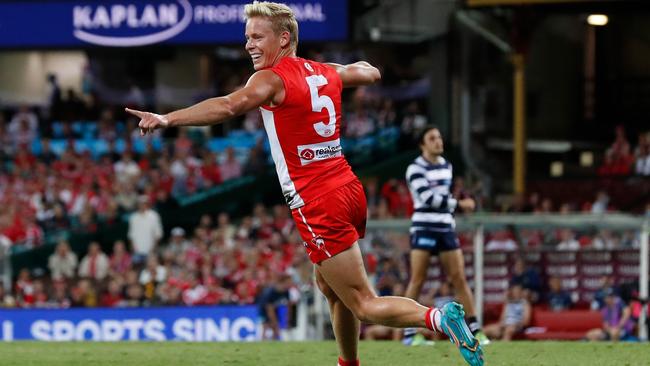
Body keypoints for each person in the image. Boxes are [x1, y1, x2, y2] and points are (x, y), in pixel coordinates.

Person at [125, 2, 483, 365]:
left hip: (316, 198)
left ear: (284, 38)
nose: (248, 44)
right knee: (330, 286)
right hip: (348, 188)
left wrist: (167, 118)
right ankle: (348, 363)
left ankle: (439, 318)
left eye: (256, 36)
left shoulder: (270, 78)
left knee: (362, 302)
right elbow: (369, 73)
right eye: (246, 37)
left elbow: (230, 106)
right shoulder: (322, 72)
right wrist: (359, 69)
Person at [402, 125, 489, 346]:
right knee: (417, 280)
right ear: (423, 144)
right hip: (423, 227)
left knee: (459, 278)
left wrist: (455, 204)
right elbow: (429, 199)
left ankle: (476, 329)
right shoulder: (414, 169)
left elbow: (442, 198)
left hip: (445, 226)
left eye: (439, 137)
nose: (438, 141)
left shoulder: (446, 166)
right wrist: (460, 204)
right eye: (432, 138)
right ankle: (409, 335)